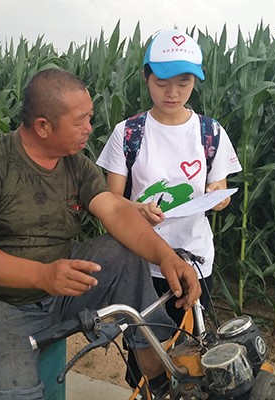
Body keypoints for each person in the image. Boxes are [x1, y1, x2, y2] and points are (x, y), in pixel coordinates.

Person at [0, 68, 201, 400]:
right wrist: (42, 275)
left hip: (60, 289)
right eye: (80, 121)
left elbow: (115, 211)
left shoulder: (75, 164)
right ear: (43, 126)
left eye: (90, 117)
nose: (89, 128)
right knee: (16, 391)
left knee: (124, 253)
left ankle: (157, 375)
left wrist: (167, 257)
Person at [97, 28, 242, 332]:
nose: (172, 93)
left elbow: (221, 190)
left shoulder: (210, 132)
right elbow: (112, 201)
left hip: (194, 260)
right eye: (161, 83)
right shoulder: (128, 133)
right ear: (146, 78)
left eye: (183, 83)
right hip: (140, 262)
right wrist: (138, 209)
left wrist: (218, 196)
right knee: (143, 346)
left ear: (195, 82)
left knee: (189, 344)